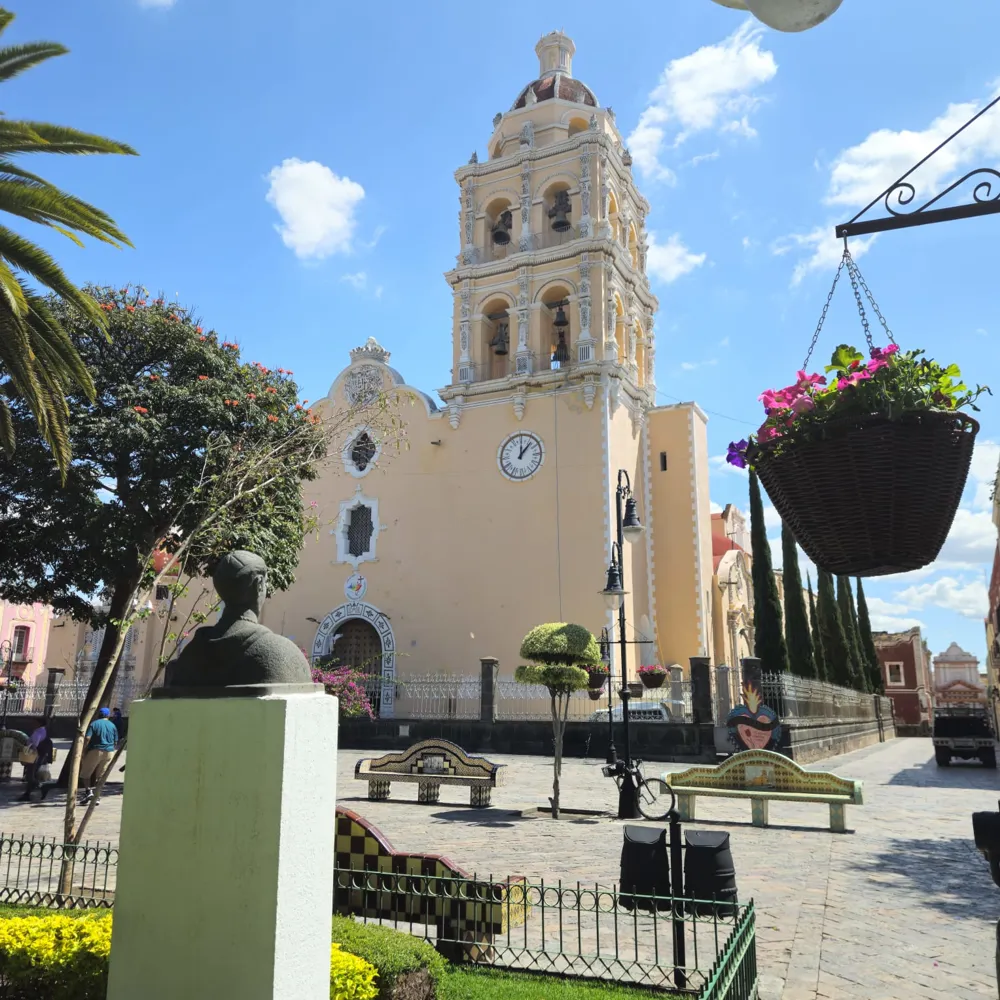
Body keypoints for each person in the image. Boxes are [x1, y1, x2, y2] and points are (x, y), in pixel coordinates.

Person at [79, 707, 118, 805]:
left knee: (85, 773)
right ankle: (97, 795)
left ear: (98, 714)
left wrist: (84, 750)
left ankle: (89, 792)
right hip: (109, 751)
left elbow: (87, 737)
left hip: (96, 750)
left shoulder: (94, 724)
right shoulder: (112, 725)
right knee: (101, 775)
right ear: (108, 715)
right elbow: (116, 741)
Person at [20, 730, 54, 802]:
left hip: (35, 756)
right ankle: (28, 793)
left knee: (30, 775)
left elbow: (35, 745)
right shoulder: (42, 731)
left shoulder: (39, 732)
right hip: (37, 756)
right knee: (30, 776)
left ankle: (40, 788)